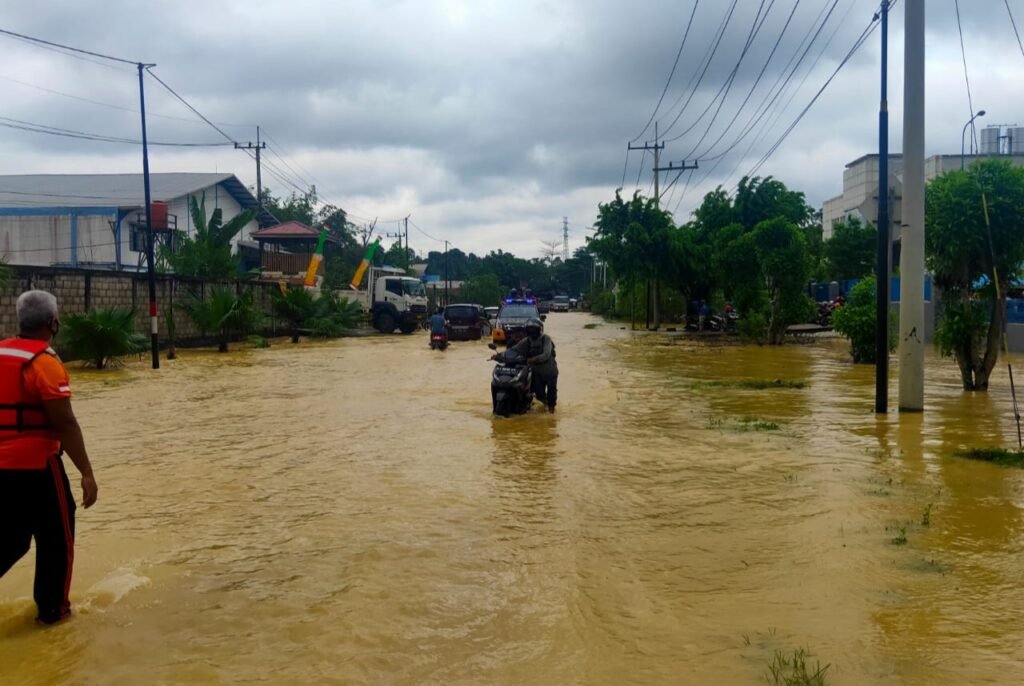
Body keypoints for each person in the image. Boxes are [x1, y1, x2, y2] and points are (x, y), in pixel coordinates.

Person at [0, 290, 97, 625]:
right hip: (38, 467)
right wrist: (86, 472)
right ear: (53, 323)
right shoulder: (44, 364)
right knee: (57, 539)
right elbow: (64, 423)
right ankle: (53, 615)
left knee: (12, 539)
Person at [509, 318, 558, 413]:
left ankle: (551, 412)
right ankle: (544, 409)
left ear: (539, 329)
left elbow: (546, 354)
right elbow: (514, 350)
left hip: (550, 371)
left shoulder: (546, 339)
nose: (532, 331)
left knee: (551, 393)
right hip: (537, 372)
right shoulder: (527, 341)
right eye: (530, 329)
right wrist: (499, 356)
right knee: (540, 395)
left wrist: (534, 359)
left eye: (534, 329)